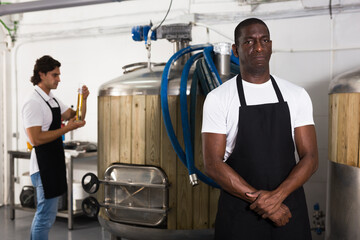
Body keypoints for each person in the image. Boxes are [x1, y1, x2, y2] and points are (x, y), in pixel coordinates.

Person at [202, 18, 318, 240]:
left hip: (288, 210)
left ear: (271, 45)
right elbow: (213, 165)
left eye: (264, 40)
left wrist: (277, 198)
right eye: (249, 42)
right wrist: (262, 202)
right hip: (240, 214)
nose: (258, 47)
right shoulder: (218, 98)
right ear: (235, 50)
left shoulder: (296, 95)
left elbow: (311, 157)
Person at [22, 55, 90, 240]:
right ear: (41, 74)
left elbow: (77, 118)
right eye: (55, 75)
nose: (59, 79)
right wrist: (67, 128)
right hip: (43, 166)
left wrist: (84, 100)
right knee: (45, 217)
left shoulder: (51, 99)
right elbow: (35, 139)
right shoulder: (33, 102)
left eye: (59, 75)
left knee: (48, 216)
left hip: (55, 161)